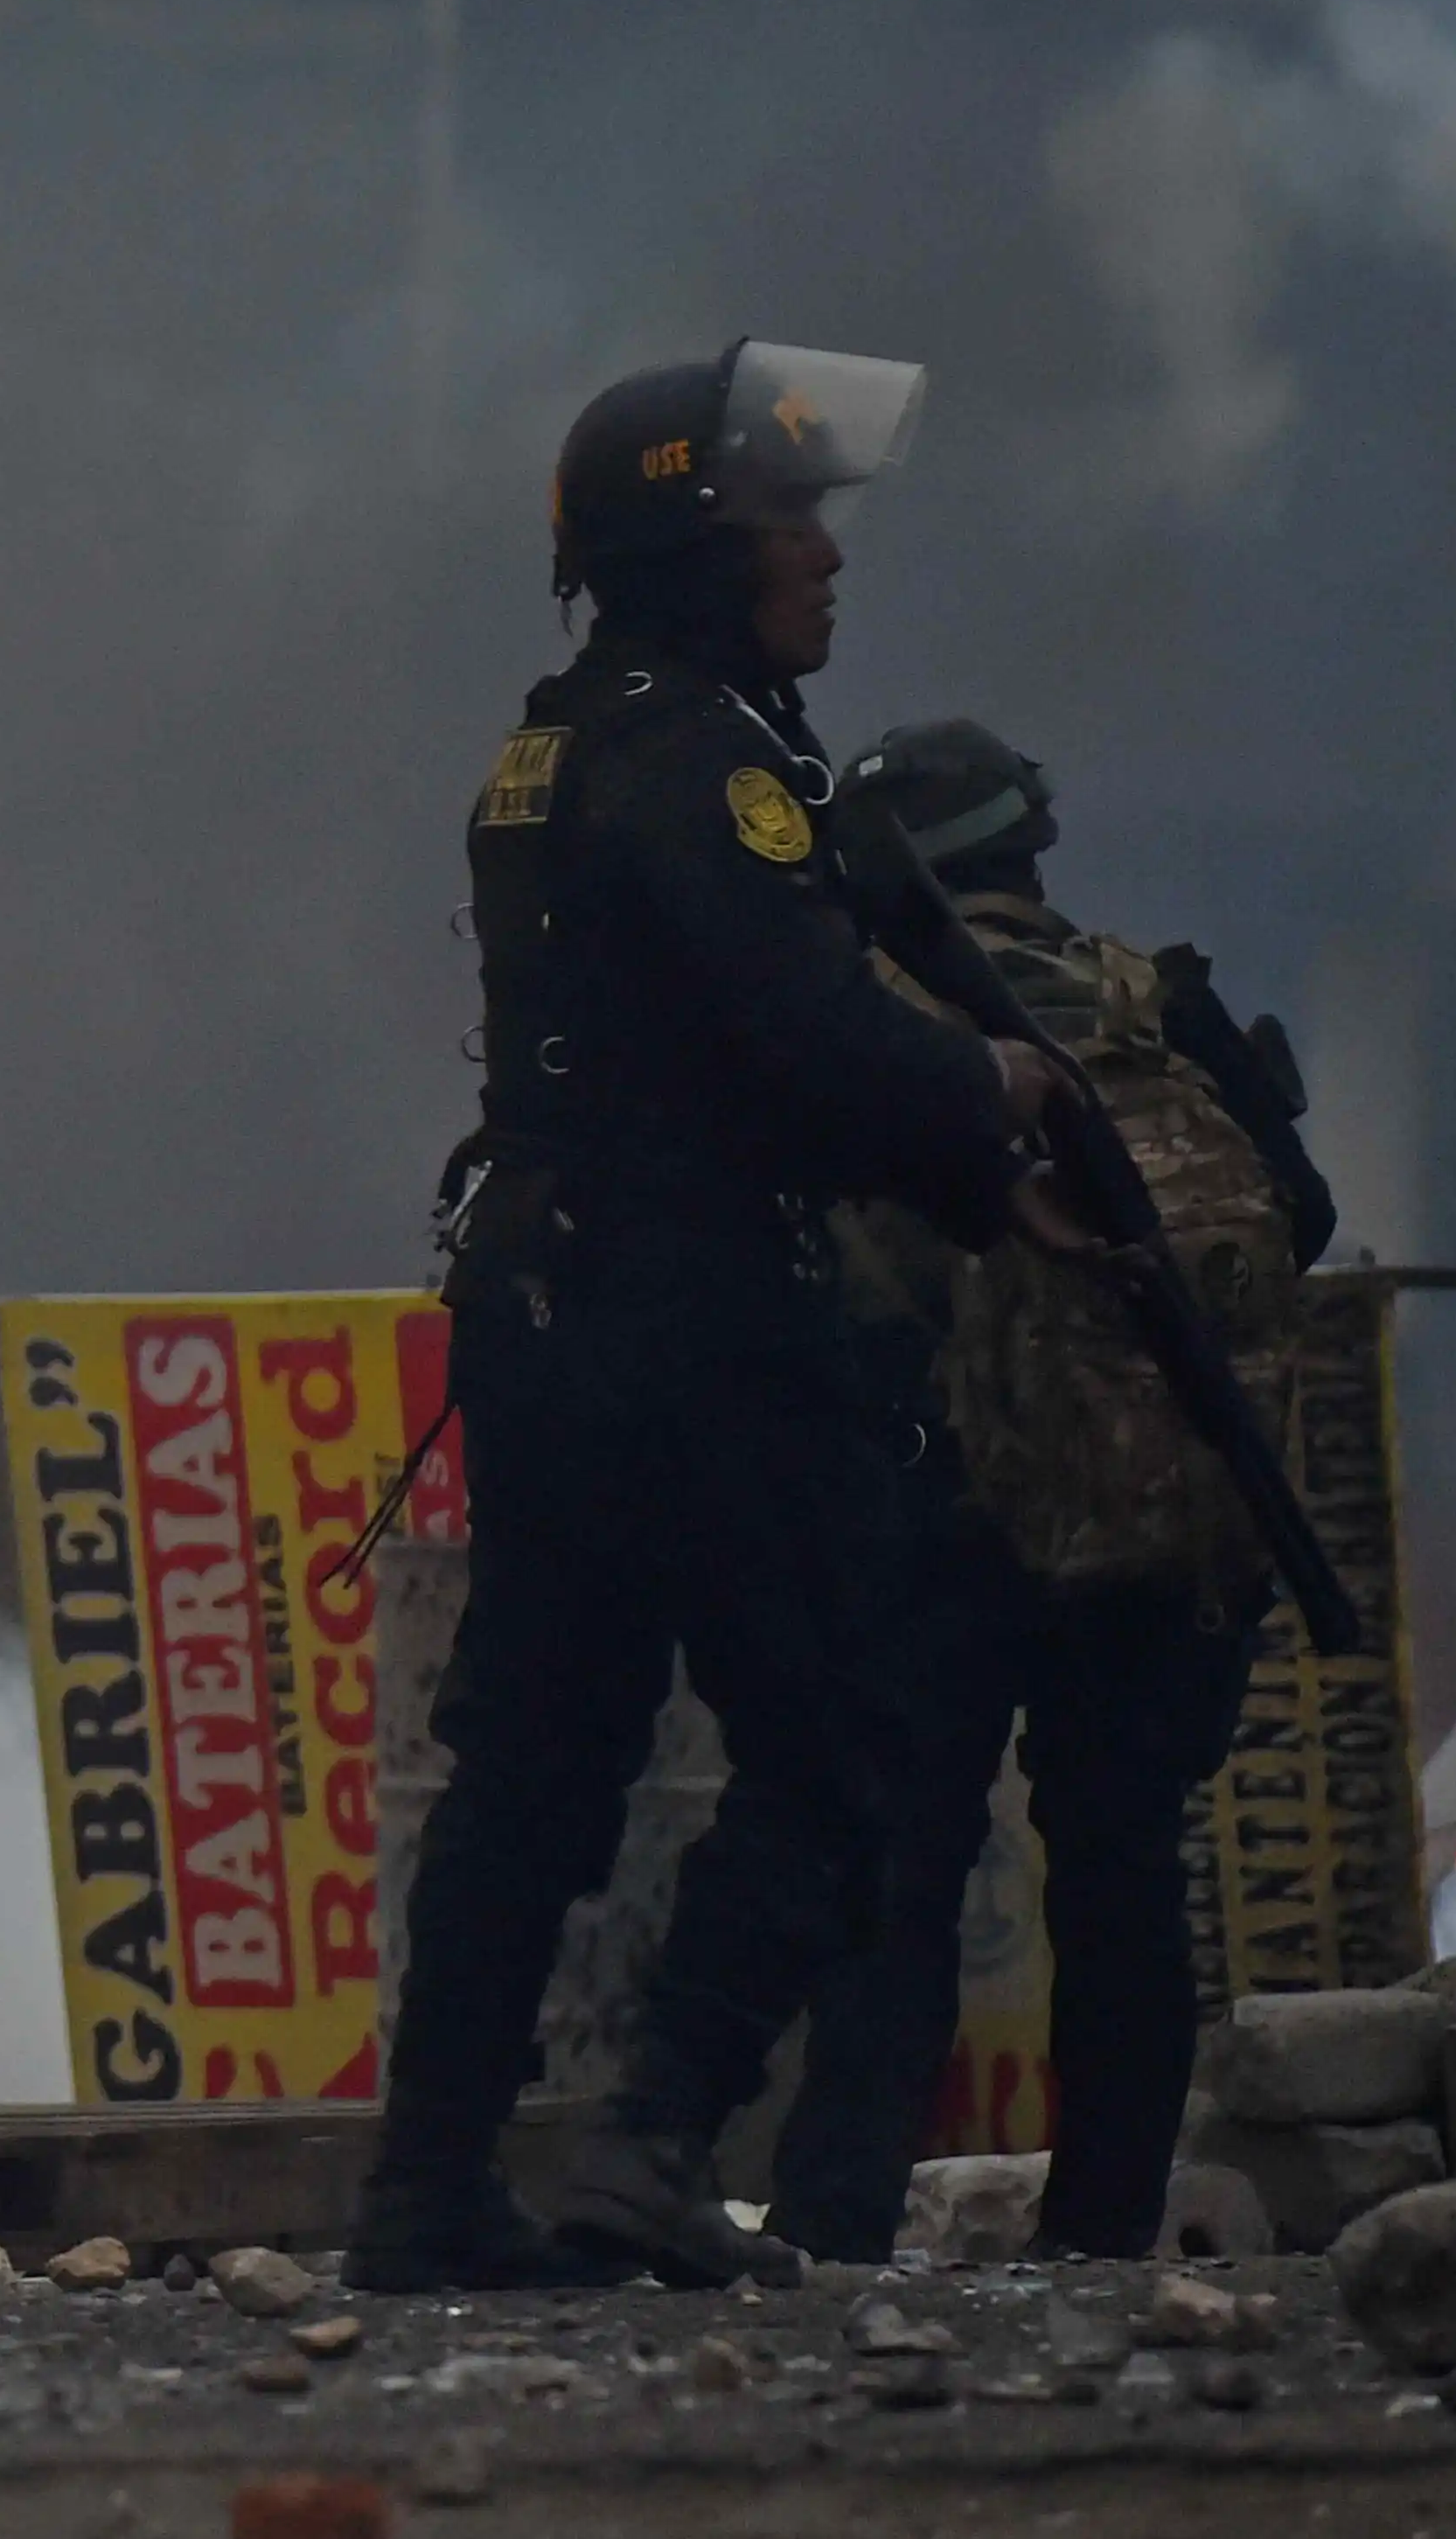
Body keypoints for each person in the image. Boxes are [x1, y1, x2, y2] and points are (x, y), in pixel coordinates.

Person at [354, 342, 1086, 2292]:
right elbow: (799, 1027)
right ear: (696, 553)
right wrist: (986, 1098)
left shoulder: (561, 741)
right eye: (789, 525)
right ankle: (660, 2139)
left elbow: (702, 1048)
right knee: (840, 1746)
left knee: (540, 1758)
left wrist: (947, 1163)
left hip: (555, 1302)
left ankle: (427, 2192)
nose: (826, 561)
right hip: (693, 1320)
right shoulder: (711, 765)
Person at [770, 720, 1334, 2263]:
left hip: (939, 1504)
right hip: (1158, 1500)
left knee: (901, 1866)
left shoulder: (875, 1023)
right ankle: (1102, 2232)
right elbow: (1302, 1210)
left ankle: (833, 2224)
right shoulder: (1158, 999)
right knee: (1122, 1869)